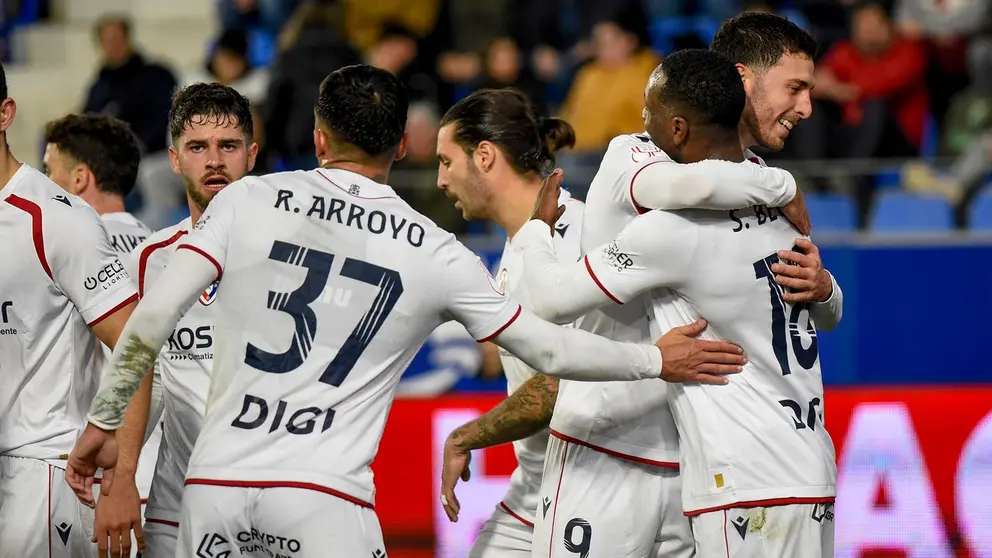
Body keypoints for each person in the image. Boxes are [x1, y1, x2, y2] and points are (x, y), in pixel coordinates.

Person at [66, 64, 747, 558]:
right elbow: (549, 350)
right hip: (323, 499)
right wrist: (653, 359)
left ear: (319, 138)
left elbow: (148, 323)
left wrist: (104, 421)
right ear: (402, 147)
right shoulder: (436, 250)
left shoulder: (247, 200)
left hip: (213, 488)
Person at [435, 88, 815, 557]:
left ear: (485, 156)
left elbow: (561, 379)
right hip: (546, 481)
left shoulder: (574, 235)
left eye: (446, 162)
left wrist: (468, 435)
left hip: (601, 468)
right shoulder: (523, 247)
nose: (440, 180)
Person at [526, 14, 841, 556]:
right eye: (794, 88)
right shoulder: (638, 154)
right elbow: (692, 184)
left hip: (703, 460)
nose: (807, 107)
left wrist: (825, 287)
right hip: (608, 436)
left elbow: (817, 314)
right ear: (741, 79)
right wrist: (783, 183)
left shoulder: (755, 184)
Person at [92, 83, 258, 558]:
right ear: (174, 158)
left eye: (228, 146)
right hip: (176, 504)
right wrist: (121, 478)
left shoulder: (288, 255)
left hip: (268, 501)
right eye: (197, 147)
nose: (214, 161)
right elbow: (142, 375)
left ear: (252, 155)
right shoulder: (149, 260)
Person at [0, 62, 140, 558]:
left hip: (39, 470)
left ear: (5, 114)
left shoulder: (56, 220)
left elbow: (136, 347)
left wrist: (124, 474)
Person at [42, 113, 157, 558]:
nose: (43, 185)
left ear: (78, 179)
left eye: (49, 171)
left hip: (93, 483)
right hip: (164, 482)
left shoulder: (59, 251)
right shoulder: (165, 249)